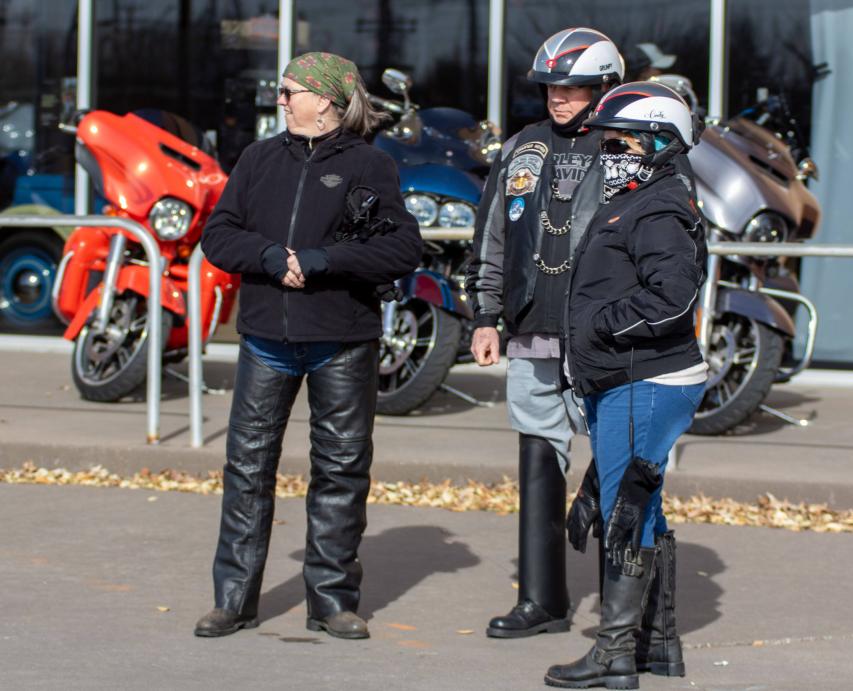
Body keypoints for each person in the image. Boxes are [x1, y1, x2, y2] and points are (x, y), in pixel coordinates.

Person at [193, 52, 422, 640]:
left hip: (342, 341)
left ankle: (332, 601)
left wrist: (323, 261)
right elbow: (218, 234)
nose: (280, 99)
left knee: (341, 472)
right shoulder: (258, 158)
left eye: (288, 90)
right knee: (246, 469)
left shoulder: (371, 164)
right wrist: (271, 257)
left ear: (324, 100)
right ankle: (233, 600)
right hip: (266, 340)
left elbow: (402, 248)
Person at [545, 81, 708, 688]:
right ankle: (658, 646)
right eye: (605, 143)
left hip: (645, 379)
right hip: (627, 379)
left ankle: (613, 654)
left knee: (624, 511)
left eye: (619, 143)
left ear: (659, 144)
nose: (607, 153)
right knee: (642, 505)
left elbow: (674, 296)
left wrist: (600, 327)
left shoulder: (659, 207)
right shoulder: (636, 198)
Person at [466, 27, 624, 639]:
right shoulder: (521, 147)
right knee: (537, 453)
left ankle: (622, 615)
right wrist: (485, 317)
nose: (559, 97)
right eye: (550, 87)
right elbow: (492, 237)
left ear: (605, 87)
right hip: (532, 327)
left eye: (574, 87)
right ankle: (542, 600)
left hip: (605, 336)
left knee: (620, 467)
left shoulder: (631, 147)